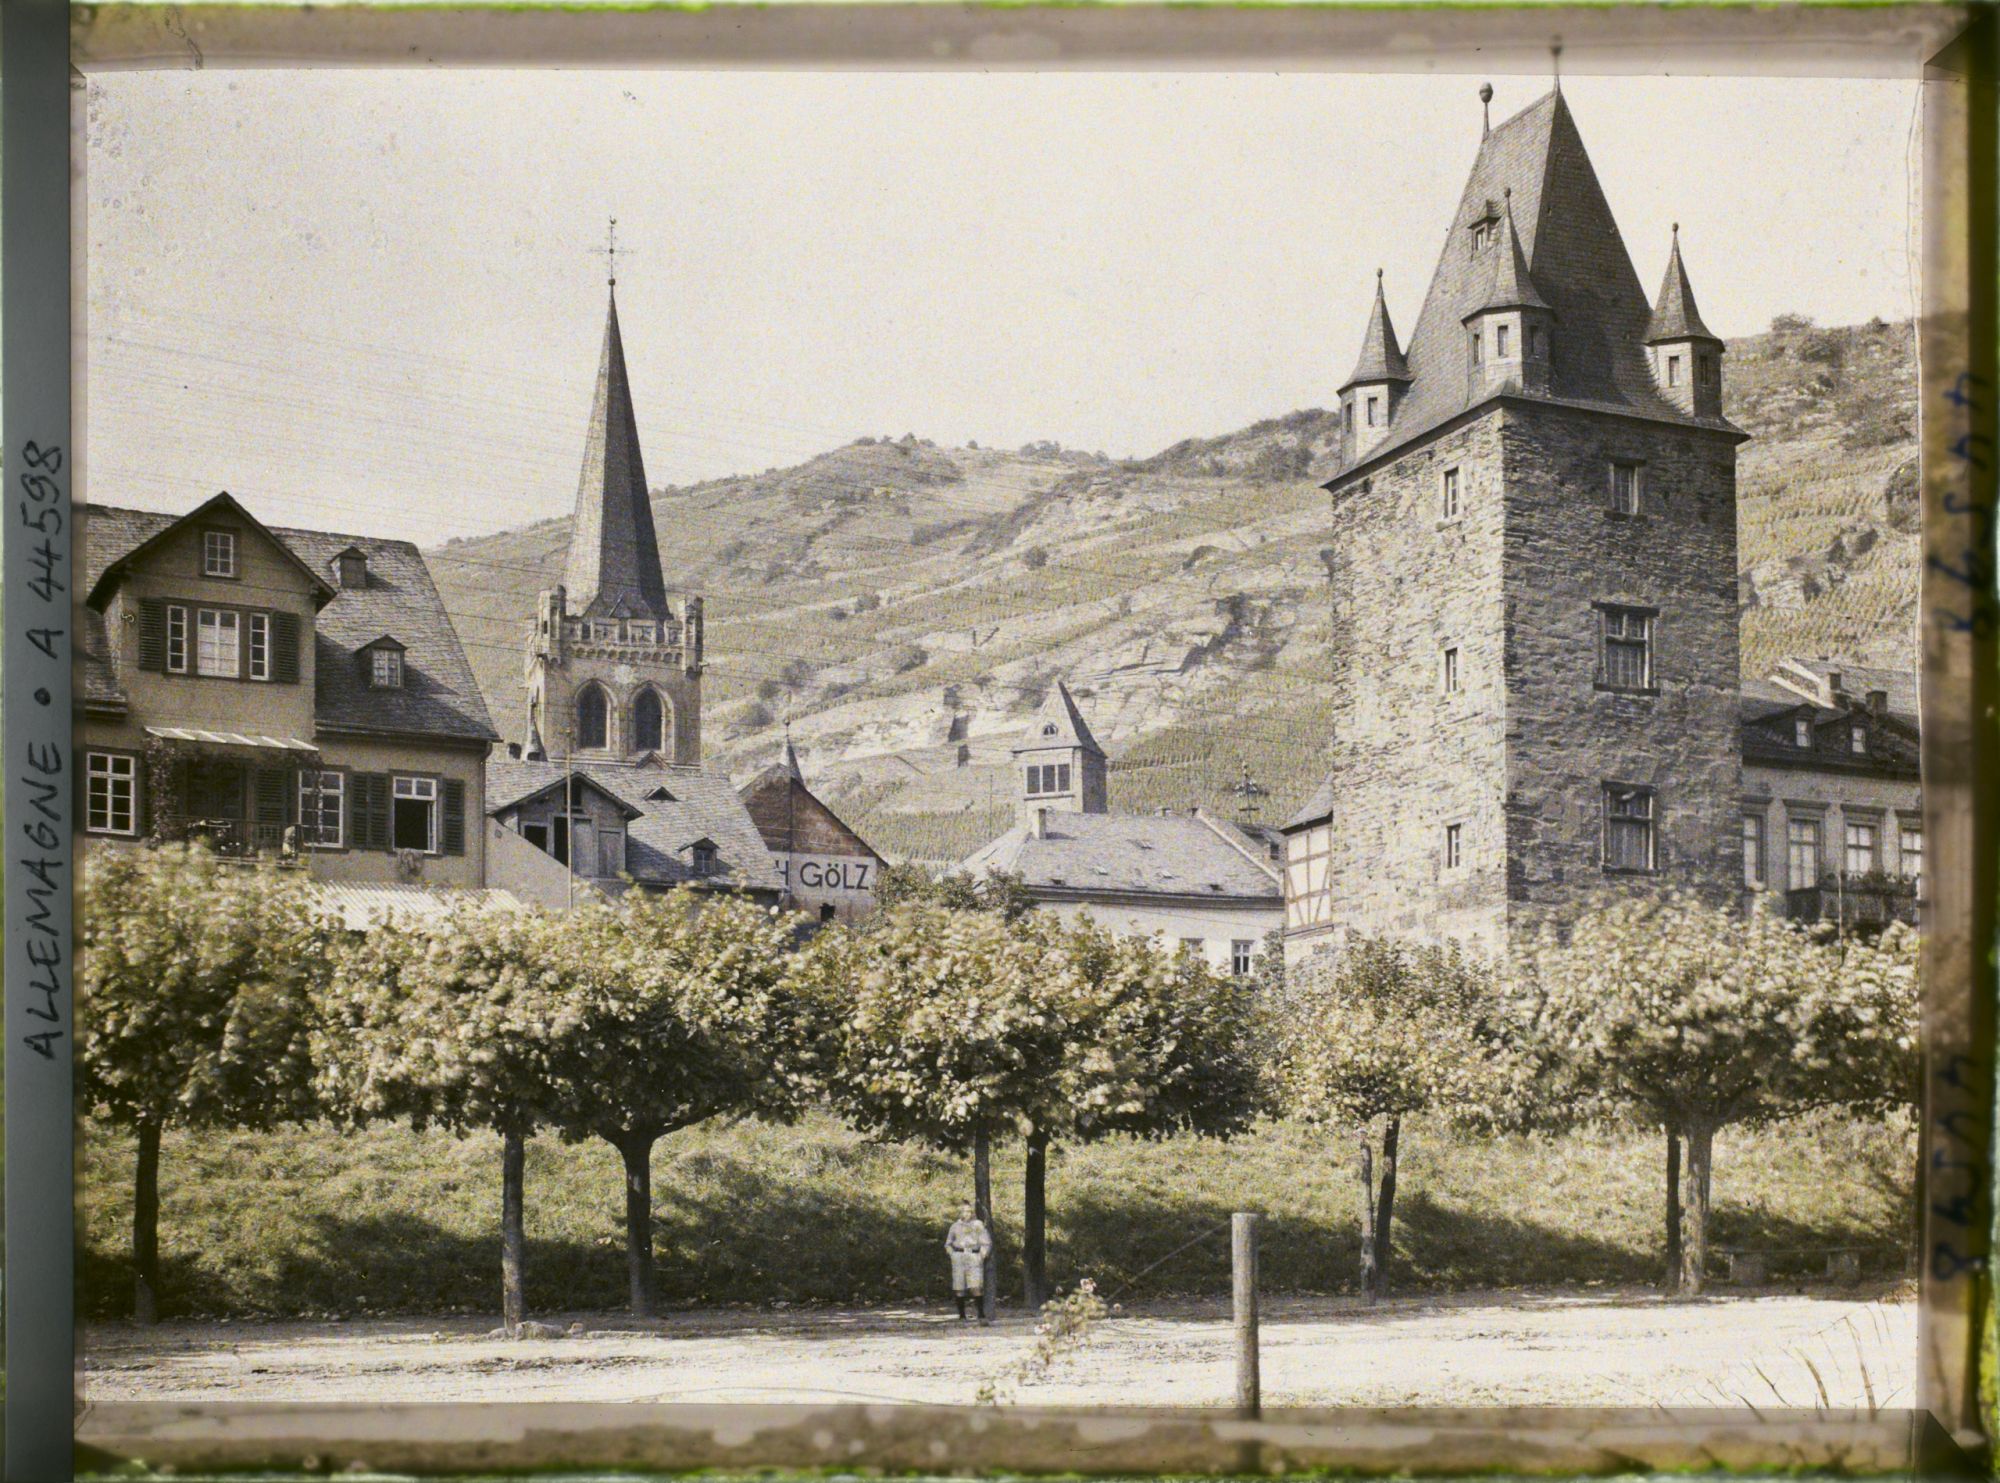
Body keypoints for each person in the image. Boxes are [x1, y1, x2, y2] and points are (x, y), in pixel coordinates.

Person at [944, 1202, 993, 1322]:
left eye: (969, 1211)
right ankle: (961, 1315)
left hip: (973, 1255)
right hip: (959, 1256)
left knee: (975, 1285)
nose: (967, 1214)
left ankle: (981, 1315)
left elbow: (985, 1242)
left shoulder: (978, 1225)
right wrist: (952, 1254)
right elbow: (948, 1243)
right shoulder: (955, 1226)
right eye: (964, 1211)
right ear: (959, 1213)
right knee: (959, 1286)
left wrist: (981, 1255)